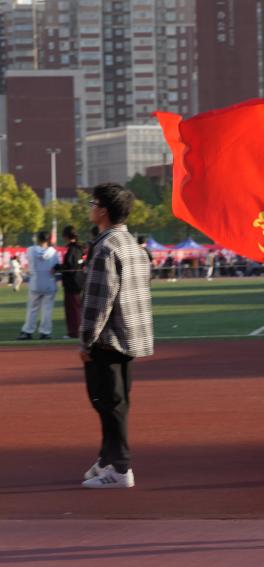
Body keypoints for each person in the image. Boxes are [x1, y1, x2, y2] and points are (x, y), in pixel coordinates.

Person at [79, 183, 154, 489]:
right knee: (118, 402)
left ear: (103, 211)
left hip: (108, 338)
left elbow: (98, 302)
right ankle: (107, 458)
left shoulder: (105, 248)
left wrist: (86, 340)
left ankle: (120, 468)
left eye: (93, 203)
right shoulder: (134, 246)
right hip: (131, 334)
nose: (90, 208)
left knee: (108, 403)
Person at [16, 231, 60, 340]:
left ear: (38, 239)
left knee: (32, 309)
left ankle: (28, 331)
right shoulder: (53, 252)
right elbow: (56, 268)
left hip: (35, 283)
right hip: (49, 283)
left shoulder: (31, 250)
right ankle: (45, 332)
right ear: (48, 239)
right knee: (47, 310)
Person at [59, 226, 86, 339]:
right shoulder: (80, 248)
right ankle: (77, 331)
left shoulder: (73, 249)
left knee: (72, 309)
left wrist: (57, 267)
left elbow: (70, 265)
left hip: (72, 283)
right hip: (79, 281)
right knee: (77, 308)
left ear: (66, 236)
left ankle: (74, 332)